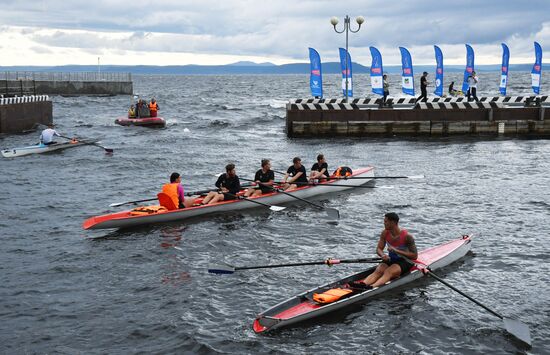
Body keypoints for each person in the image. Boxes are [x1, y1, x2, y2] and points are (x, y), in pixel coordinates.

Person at [350, 212, 418, 290]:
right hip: (391, 259)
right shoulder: (385, 233)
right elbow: (379, 249)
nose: (384, 223)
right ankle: (363, 284)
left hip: (405, 261)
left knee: (389, 271)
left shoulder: (407, 237)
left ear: (393, 222)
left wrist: (397, 251)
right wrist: (383, 255)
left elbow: (414, 256)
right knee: (379, 270)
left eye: (386, 221)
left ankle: (372, 287)